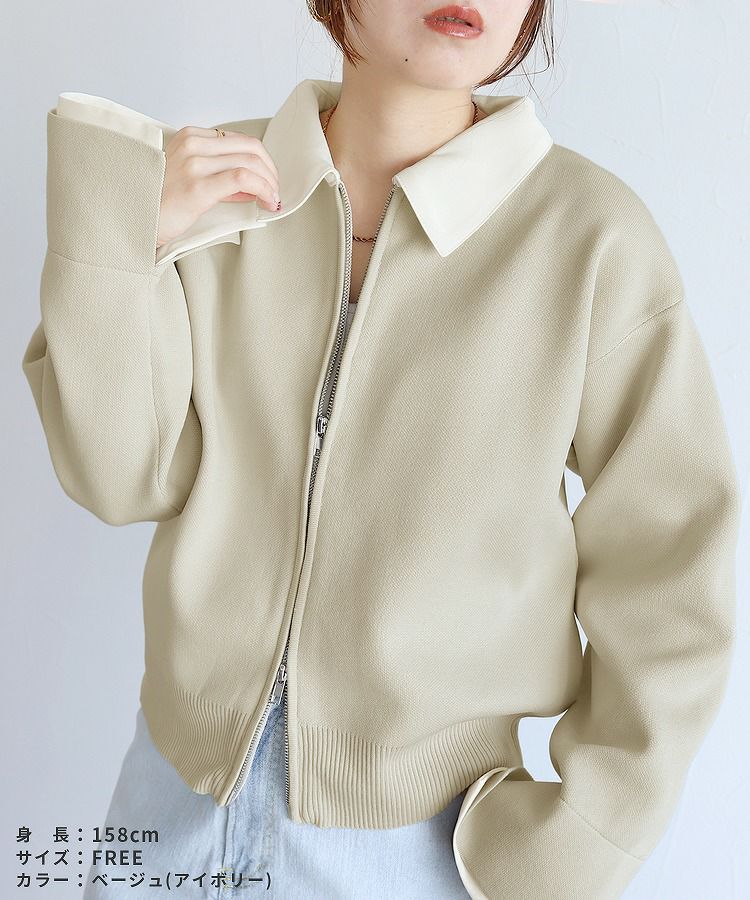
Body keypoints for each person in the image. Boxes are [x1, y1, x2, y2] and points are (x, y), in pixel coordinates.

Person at [22, 1, 741, 898]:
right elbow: (120, 477)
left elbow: (675, 563)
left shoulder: (591, 240)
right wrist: (123, 239)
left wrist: (590, 836)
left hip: (419, 850)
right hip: (168, 804)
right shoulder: (214, 187)